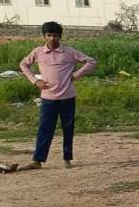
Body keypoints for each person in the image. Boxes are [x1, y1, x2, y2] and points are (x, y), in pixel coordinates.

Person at [19, 21, 97, 170]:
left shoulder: (69, 52)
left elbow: (91, 61)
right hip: (48, 98)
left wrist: (76, 75)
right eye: (49, 35)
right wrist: (35, 81)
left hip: (67, 97)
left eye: (55, 35)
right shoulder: (38, 52)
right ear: (44, 36)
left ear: (60, 36)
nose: (52, 38)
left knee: (68, 128)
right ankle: (37, 161)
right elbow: (23, 64)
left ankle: (67, 159)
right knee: (45, 129)